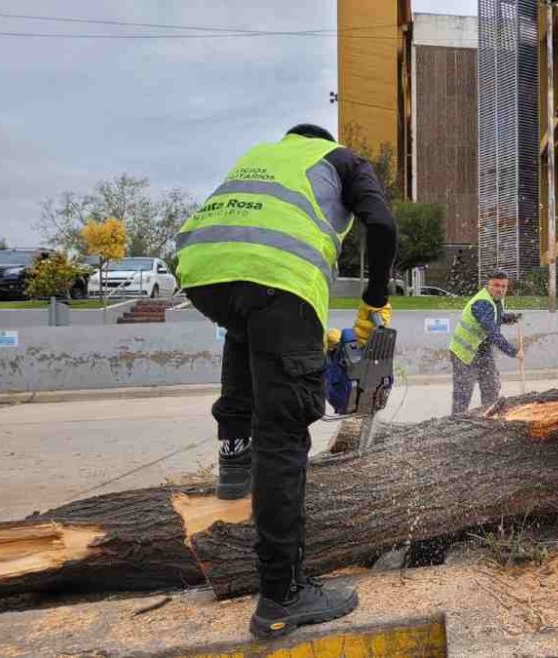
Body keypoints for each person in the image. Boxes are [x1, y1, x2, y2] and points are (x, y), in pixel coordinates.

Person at [175, 124, 397, 639]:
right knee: (284, 432)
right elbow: (381, 225)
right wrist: (374, 298)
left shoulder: (262, 155)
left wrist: (303, 337)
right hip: (278, 278)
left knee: (244, 328)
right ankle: (282, 594)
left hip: (203, 270)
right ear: (322, 141)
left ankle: (233, 457)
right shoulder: (342, 159)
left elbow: (253, 276)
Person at [449, 271, 523, 413]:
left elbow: (496, 317)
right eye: (496, 285)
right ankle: (456, 422)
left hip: (483, 351)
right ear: (488, 285)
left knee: (491, 388)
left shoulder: (496, 300)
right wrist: (513, 352)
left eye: (504, 286)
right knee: (463, 394)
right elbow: (493, 332)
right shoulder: (482, 303)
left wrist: (511, 318)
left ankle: (489, 421)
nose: (500, 289)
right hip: (464, 353)